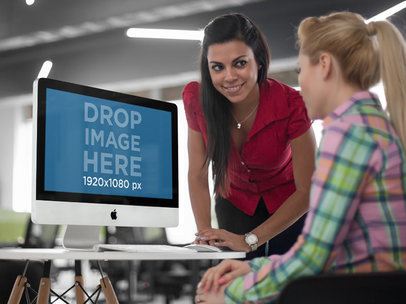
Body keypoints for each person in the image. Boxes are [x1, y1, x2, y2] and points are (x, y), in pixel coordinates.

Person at [195, 11, 406, 303]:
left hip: (361, 292)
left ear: (324, 66)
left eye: (299, 71)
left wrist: (231, 293)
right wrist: (252, 267)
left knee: (213, 295)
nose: (301, 84)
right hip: (364, 285)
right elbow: (330, 253)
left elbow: (313, 258)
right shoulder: (371, 126)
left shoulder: (349, 134)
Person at [182, 13, 316, 259]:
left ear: (259, 61)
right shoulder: (197, 101)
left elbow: (308, 188)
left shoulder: (292, 104)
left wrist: (250, 240)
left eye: (240, 63)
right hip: (234, 203)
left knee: (288, 287)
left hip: (290, 209)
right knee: (233, 287)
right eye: (218, 67)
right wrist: (205, 236)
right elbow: (198, 175)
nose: (229, 76)